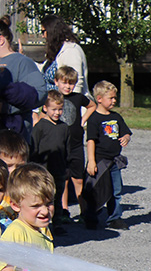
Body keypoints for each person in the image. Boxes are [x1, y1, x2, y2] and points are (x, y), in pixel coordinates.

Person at [0, 17, 47, 142]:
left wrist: (7, 108)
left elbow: (40, 94)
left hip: (14, 138)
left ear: (1, 40)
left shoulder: (22, 62)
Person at [85, 80, 131, 229]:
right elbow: (91, 141)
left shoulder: (116, 117)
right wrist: (91, 161)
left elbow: (125, 131)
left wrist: (126, 137)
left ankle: (114, 217)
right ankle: (91, 216)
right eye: (110, 98)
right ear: (99, 99)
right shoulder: (94, 119)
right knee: (97, 190)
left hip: (114, 161)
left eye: (114, 98)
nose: (114, 101)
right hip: (100, 161)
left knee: (116, 190)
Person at [54, 66, 95, 218]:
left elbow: (92, 106)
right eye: (64, 83)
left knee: (78, 178)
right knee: (63, 178)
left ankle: (84, 210)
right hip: (60, 145)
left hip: (76, 143)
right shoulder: (54, 98)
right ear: (56, 82)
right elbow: (44, 112)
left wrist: (83, 120)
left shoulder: (78, 97)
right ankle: (64, 210)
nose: (67, 86)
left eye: (71, 83)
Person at [30, 89, 71, 226]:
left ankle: (57, 224)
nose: (57, 113)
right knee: (42, 197)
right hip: (43, 170)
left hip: (59, 169)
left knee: (57, 198)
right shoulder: (40, 127)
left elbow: (67, 149)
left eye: (60, 109)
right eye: (54, 109)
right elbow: (33, 147)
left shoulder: (64, 128)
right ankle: (42, 224)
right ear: (45, 108)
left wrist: (67, 167)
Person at [40, 15, 88, 94]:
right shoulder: (58, 50)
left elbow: (76, 84)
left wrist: (72, 104)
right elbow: (42, 68)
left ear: (51, 31)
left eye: (43, 31)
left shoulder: (71, 50)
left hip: (66, 104)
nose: (42, 36)